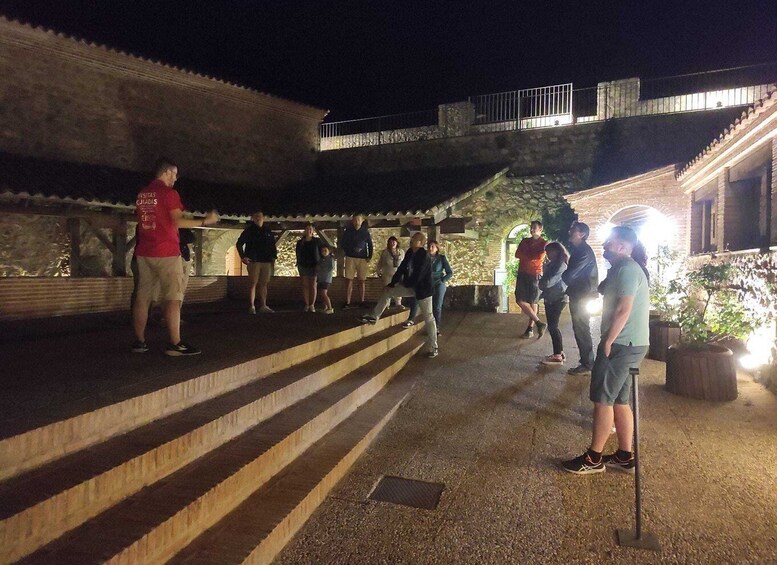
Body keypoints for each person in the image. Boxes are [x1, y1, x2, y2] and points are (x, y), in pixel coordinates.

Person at [562, 226, 650, 475]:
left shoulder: (626, 269)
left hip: (621, 344)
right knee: (620, 400)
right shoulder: (622, 269)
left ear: (622, 246)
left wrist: (608, 341)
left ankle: (594, 458)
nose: (605, 246)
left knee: (602, 399)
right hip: (632, 343)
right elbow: (605, 290)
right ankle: (624, 455)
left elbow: (624, 309)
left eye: (610, 242)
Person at [132, 157, 219, 356]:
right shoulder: (169, 193)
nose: (176, 178)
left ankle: (139, 342)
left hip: (144, 251)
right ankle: (175, 344)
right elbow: (178, 221)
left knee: (142, 297)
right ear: (166, 172)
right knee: (172, 298)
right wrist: (206, 220)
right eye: (174, 173)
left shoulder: (143, 194)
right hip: (167, 252)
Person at [360, 232, 438, 358]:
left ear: (420, 242)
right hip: (411, 286)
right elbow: (401, 268)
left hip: (423, 290)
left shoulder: (424, 256)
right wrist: (392, 284)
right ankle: (374, 316)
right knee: (388, 292)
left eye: (414, 239)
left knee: (428, 317)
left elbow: (419, 275)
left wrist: (405, 283)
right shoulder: (409, 253)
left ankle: (433, 347)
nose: (411, 240)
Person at [562, 221, 599, 375]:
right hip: (580, 293)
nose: (570, 231)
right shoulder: (580, 250)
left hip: (582, 295)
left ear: (582, 234)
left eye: (574, 230)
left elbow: (569, 275)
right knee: (580, 328)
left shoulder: (583, 252)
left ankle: (588, 363)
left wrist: (565, 273)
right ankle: (586, 362)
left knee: (581, 328)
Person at [404, 240, 453, 334]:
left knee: (437, 306)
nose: (430, 248)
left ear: (437, 248)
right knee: (416, 299)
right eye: (429, 246)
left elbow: (449, 272)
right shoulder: (423, 257)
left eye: (433, 246)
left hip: (438, 283)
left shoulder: (441, 258)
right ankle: (411, 319)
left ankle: (436, 328)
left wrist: (442, 280)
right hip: (425, 283)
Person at [236, 211, 277, 314]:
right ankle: (252, 306)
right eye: (256, 216)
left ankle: (263, 305)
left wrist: (273, 257)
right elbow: (239, 243)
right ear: (253, 218)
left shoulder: (268, 231)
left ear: (263, 218)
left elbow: (272, 245)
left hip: (266, 261)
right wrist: (243, 257)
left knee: (264, 283)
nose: (258, 218)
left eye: (260, 216)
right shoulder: (249, 231)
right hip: (253, 260)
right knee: (253, 283)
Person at [514, 220, 547, 339]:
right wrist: (529, 256)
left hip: (535, 274)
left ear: (540, 229)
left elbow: (538, 257)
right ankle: (539, 323)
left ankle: (530, 328)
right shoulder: (525, 241)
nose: (532, 230)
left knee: (533, 301)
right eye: (531, 228)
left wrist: (526, 255)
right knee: (520, 299)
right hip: (523, 273)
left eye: (534, 228)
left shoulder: (544, 243)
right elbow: (517, 254)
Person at [539, 242, 570, 365]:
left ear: (557, 251)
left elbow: (546, 283)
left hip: (557, 298)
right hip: (552, 297)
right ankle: (559, 352)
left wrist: (542, 279)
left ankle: (558, 355)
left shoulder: (560, 265)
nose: (548, 255)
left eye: (549, 252)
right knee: (553, 326)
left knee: (553, 326)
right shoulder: (553, 264)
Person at [340, 214, 373, 309]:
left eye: (358, 220)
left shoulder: (365, 232)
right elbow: (343, 244)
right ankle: (347, 302)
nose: (356, 222)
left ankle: (362, 301)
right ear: (352, 221)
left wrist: (369, 256)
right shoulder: (348, 231)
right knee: (349, 279)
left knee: (362, 280)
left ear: (362, 221)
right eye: (355, 220)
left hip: (363, 258)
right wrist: (352, 249)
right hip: (350, 257)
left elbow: (370, 245)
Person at [296, 223, 320, 312]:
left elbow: (323, 250)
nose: (309, 231)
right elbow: (297, 253)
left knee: (313, 285)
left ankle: (312, 305)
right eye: (307, 229)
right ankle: (306, 304)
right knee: (305, 285)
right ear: (305, 231)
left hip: (314, 265)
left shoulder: (317, 241)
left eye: (310, 229)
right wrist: (298, 263)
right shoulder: (300, 242)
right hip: (303, 265)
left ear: (313, 231)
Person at [378, 236, 404, 308]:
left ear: (397, 242)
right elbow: (381, 262)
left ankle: (398, 303)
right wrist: (378, 270)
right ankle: (386, 304)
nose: (392, 243)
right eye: (391, 242)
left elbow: (404, 263)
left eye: (394, 241)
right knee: (387, 289)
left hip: (398, 273)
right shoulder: (385, 252)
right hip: (387, 273)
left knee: (398, 288)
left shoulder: (401, 252)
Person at [316, 246, 336, 314]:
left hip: (326, 279)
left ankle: (330, 308)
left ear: (329, 251)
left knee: (324, 293)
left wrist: (321, 269)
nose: (323, 252)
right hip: (321, 278)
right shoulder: (321, 260)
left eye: (325, 251)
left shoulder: (330, 259)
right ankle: (326, 307)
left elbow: (331, 268)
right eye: (322, 251)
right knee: (322, 293)